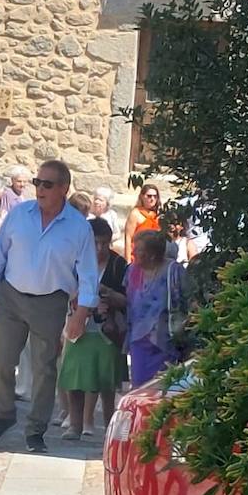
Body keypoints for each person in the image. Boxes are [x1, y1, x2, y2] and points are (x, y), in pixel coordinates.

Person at [0, 159, 99, 452]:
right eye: (37, 182)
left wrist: (81, 314)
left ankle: (36, 429)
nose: (40, 189)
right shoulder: (19, 215)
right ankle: (4, 414)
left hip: (50, 302)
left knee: (44, 370)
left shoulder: (78, 227)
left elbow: (88, 274)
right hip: (11, 296)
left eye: (47, 184)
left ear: (63, 188)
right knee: (3, 361)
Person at [57, 218, 128, 439]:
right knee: (74, 379)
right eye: (95, 243)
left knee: (106, 382)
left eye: (105, 243)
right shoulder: (75, 261)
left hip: (107, 330)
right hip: (79, 327)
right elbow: (62, 290)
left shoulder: (118, 264)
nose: (100, 249)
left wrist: (109, 293)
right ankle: (75, 425)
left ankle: (108, 428)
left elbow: (128, 299)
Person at [125, 228, 186, 386]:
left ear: (152, 254)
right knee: (139, 386)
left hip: (166, 339)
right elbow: (128, 301)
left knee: (163, 389)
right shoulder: (132, 270)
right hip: (139, 339)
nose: (133, 252)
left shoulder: (173, 271)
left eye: (138, 249)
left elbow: (187, 301)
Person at [125, 182, 161, 262]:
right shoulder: (135, 213)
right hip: (138, 256)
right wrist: (128, 261)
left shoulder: (158, 214)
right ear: (142, 196)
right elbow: (128, 238)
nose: (152, 199)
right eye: (149, 196)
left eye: (155, 196)